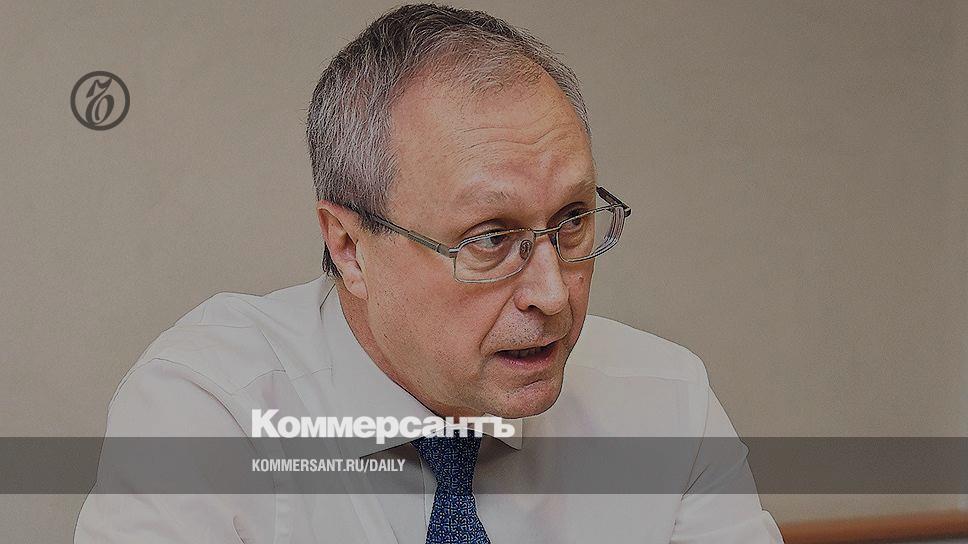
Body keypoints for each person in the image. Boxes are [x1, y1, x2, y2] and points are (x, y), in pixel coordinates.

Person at [75, 4, 784, 543]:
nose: (553, 293)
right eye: (490, 239)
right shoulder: (209, 411)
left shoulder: (667, 404)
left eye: (572, 220)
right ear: (349, 248)